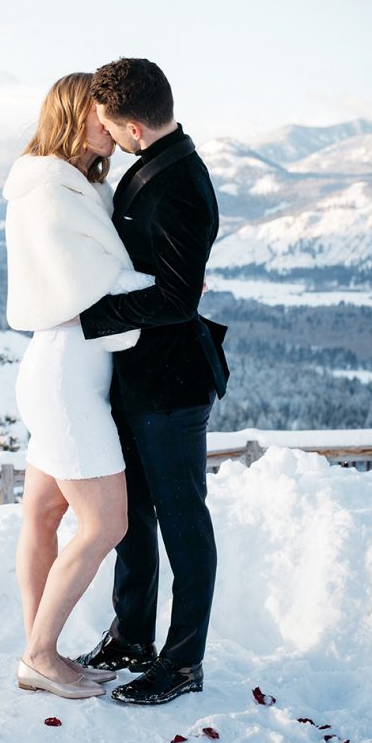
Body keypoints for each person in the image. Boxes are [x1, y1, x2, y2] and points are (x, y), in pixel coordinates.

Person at [74, 57, 228, 705]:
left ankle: (183, 661)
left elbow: (175, 299)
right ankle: (131, 636)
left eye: (108, 125)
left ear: (134, 127)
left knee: (181, 524)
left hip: (171, 391)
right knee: (131, 518)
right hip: (135, 382)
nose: (103, 134)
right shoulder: (150, 166)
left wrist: (92, 312)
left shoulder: (182, 184)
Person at [2, 72, 155, 700]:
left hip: (61, 369)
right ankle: (40, 656)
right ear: (78, 115)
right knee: (105, 524)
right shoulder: (54, 193)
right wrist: (168, 286)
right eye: (103, 112)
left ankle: (40, 648)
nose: (114, 122)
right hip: (68, 374)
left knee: (43, 514)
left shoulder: (71, 183)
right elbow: (87, 289)